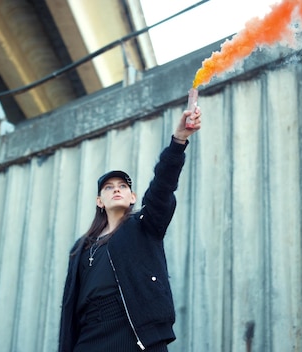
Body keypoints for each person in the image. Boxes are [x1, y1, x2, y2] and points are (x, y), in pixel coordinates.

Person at [58, 105, 202, 351]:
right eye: (109, 187)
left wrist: (178, 141)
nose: (116, 189)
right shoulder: (80, 247)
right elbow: (71, 306)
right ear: (99, 201)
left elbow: (162, 187)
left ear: (133, 197)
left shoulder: (144, 226)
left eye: (123, 186)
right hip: (88, 337)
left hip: (134, 334)